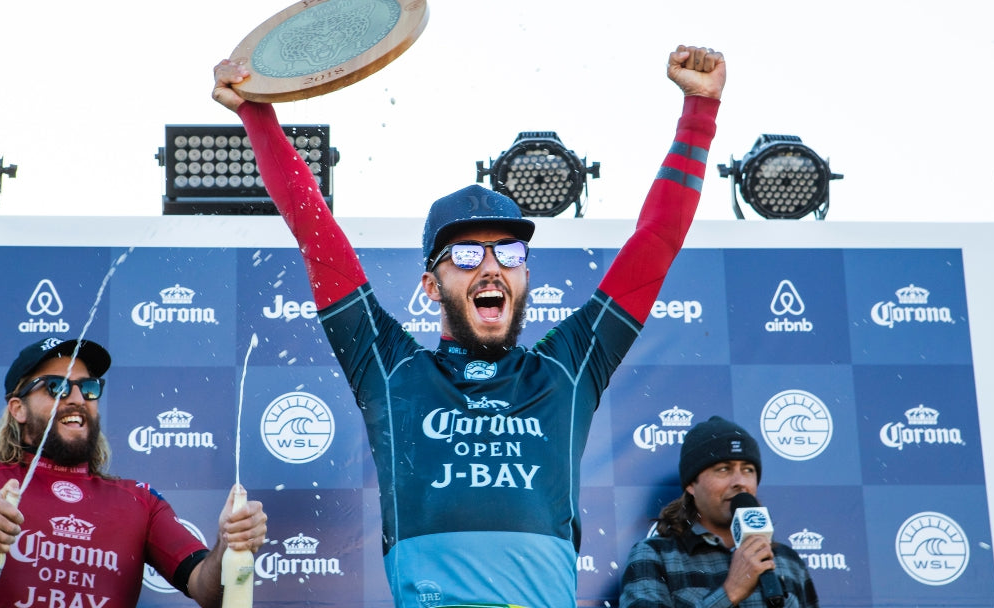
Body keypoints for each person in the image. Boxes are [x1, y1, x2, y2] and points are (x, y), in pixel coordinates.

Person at [212, 44, 725, 608]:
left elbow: (654, 244)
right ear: (431, 286)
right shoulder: (389, 369)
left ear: (525, 275)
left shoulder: (566, 369)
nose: (490, 267)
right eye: (465, 256)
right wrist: (256, 113)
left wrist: (700, 111)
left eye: (508, 253)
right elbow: (316, 233)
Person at [0, 337, 268, 608]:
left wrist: (229, 545)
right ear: (17, 408)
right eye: (55, 387)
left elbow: (208, 591)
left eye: (88, 388)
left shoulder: (139, 500)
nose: (76, 398)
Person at [619, 416, 820, 608]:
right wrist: (730, 592)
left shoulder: (787, 560)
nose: (739, 482)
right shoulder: (656, 556)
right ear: (691, 483)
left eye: (748, 469)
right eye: (724, 469)